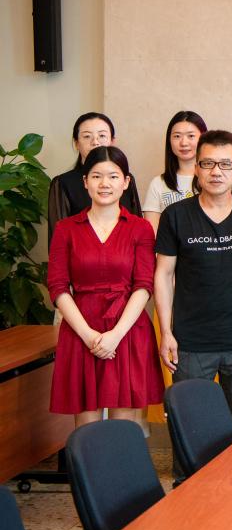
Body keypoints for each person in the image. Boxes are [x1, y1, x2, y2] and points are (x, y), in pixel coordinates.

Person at [155, 131, 232, 432]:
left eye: (225, 164)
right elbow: (163, 275)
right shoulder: (175, 215)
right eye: (207, 163)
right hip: (191, 341)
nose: (216, 172)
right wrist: (166, 332)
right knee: (190, 426)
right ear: (196, 168)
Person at [46, 146, 163, 427]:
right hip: (81, 329)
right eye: (96, 176)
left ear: (126, 182)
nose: (104, 183)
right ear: (85, 182)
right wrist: (89, 336)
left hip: (127, 330)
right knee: (87, 430)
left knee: (124, 427)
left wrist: (115, 335)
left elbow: (144, 285)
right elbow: (58, 286)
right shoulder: (65, 228)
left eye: (113, 176)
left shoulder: (140, 228)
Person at [47, 112, 143, 245]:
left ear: (112, 141)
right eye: (87, 136)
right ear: (76, 143)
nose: (95, 142)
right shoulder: (63, 183)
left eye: (102, 135)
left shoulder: (125, 178)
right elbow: (58, 241)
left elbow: (138, 228)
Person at [142, 111, 206, 233]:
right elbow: (152, 233)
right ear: (169, 140)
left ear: (203, 138)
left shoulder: (212, 180)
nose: (184, 143)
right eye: (177, 136)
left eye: (191, 136)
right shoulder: (158, 183)